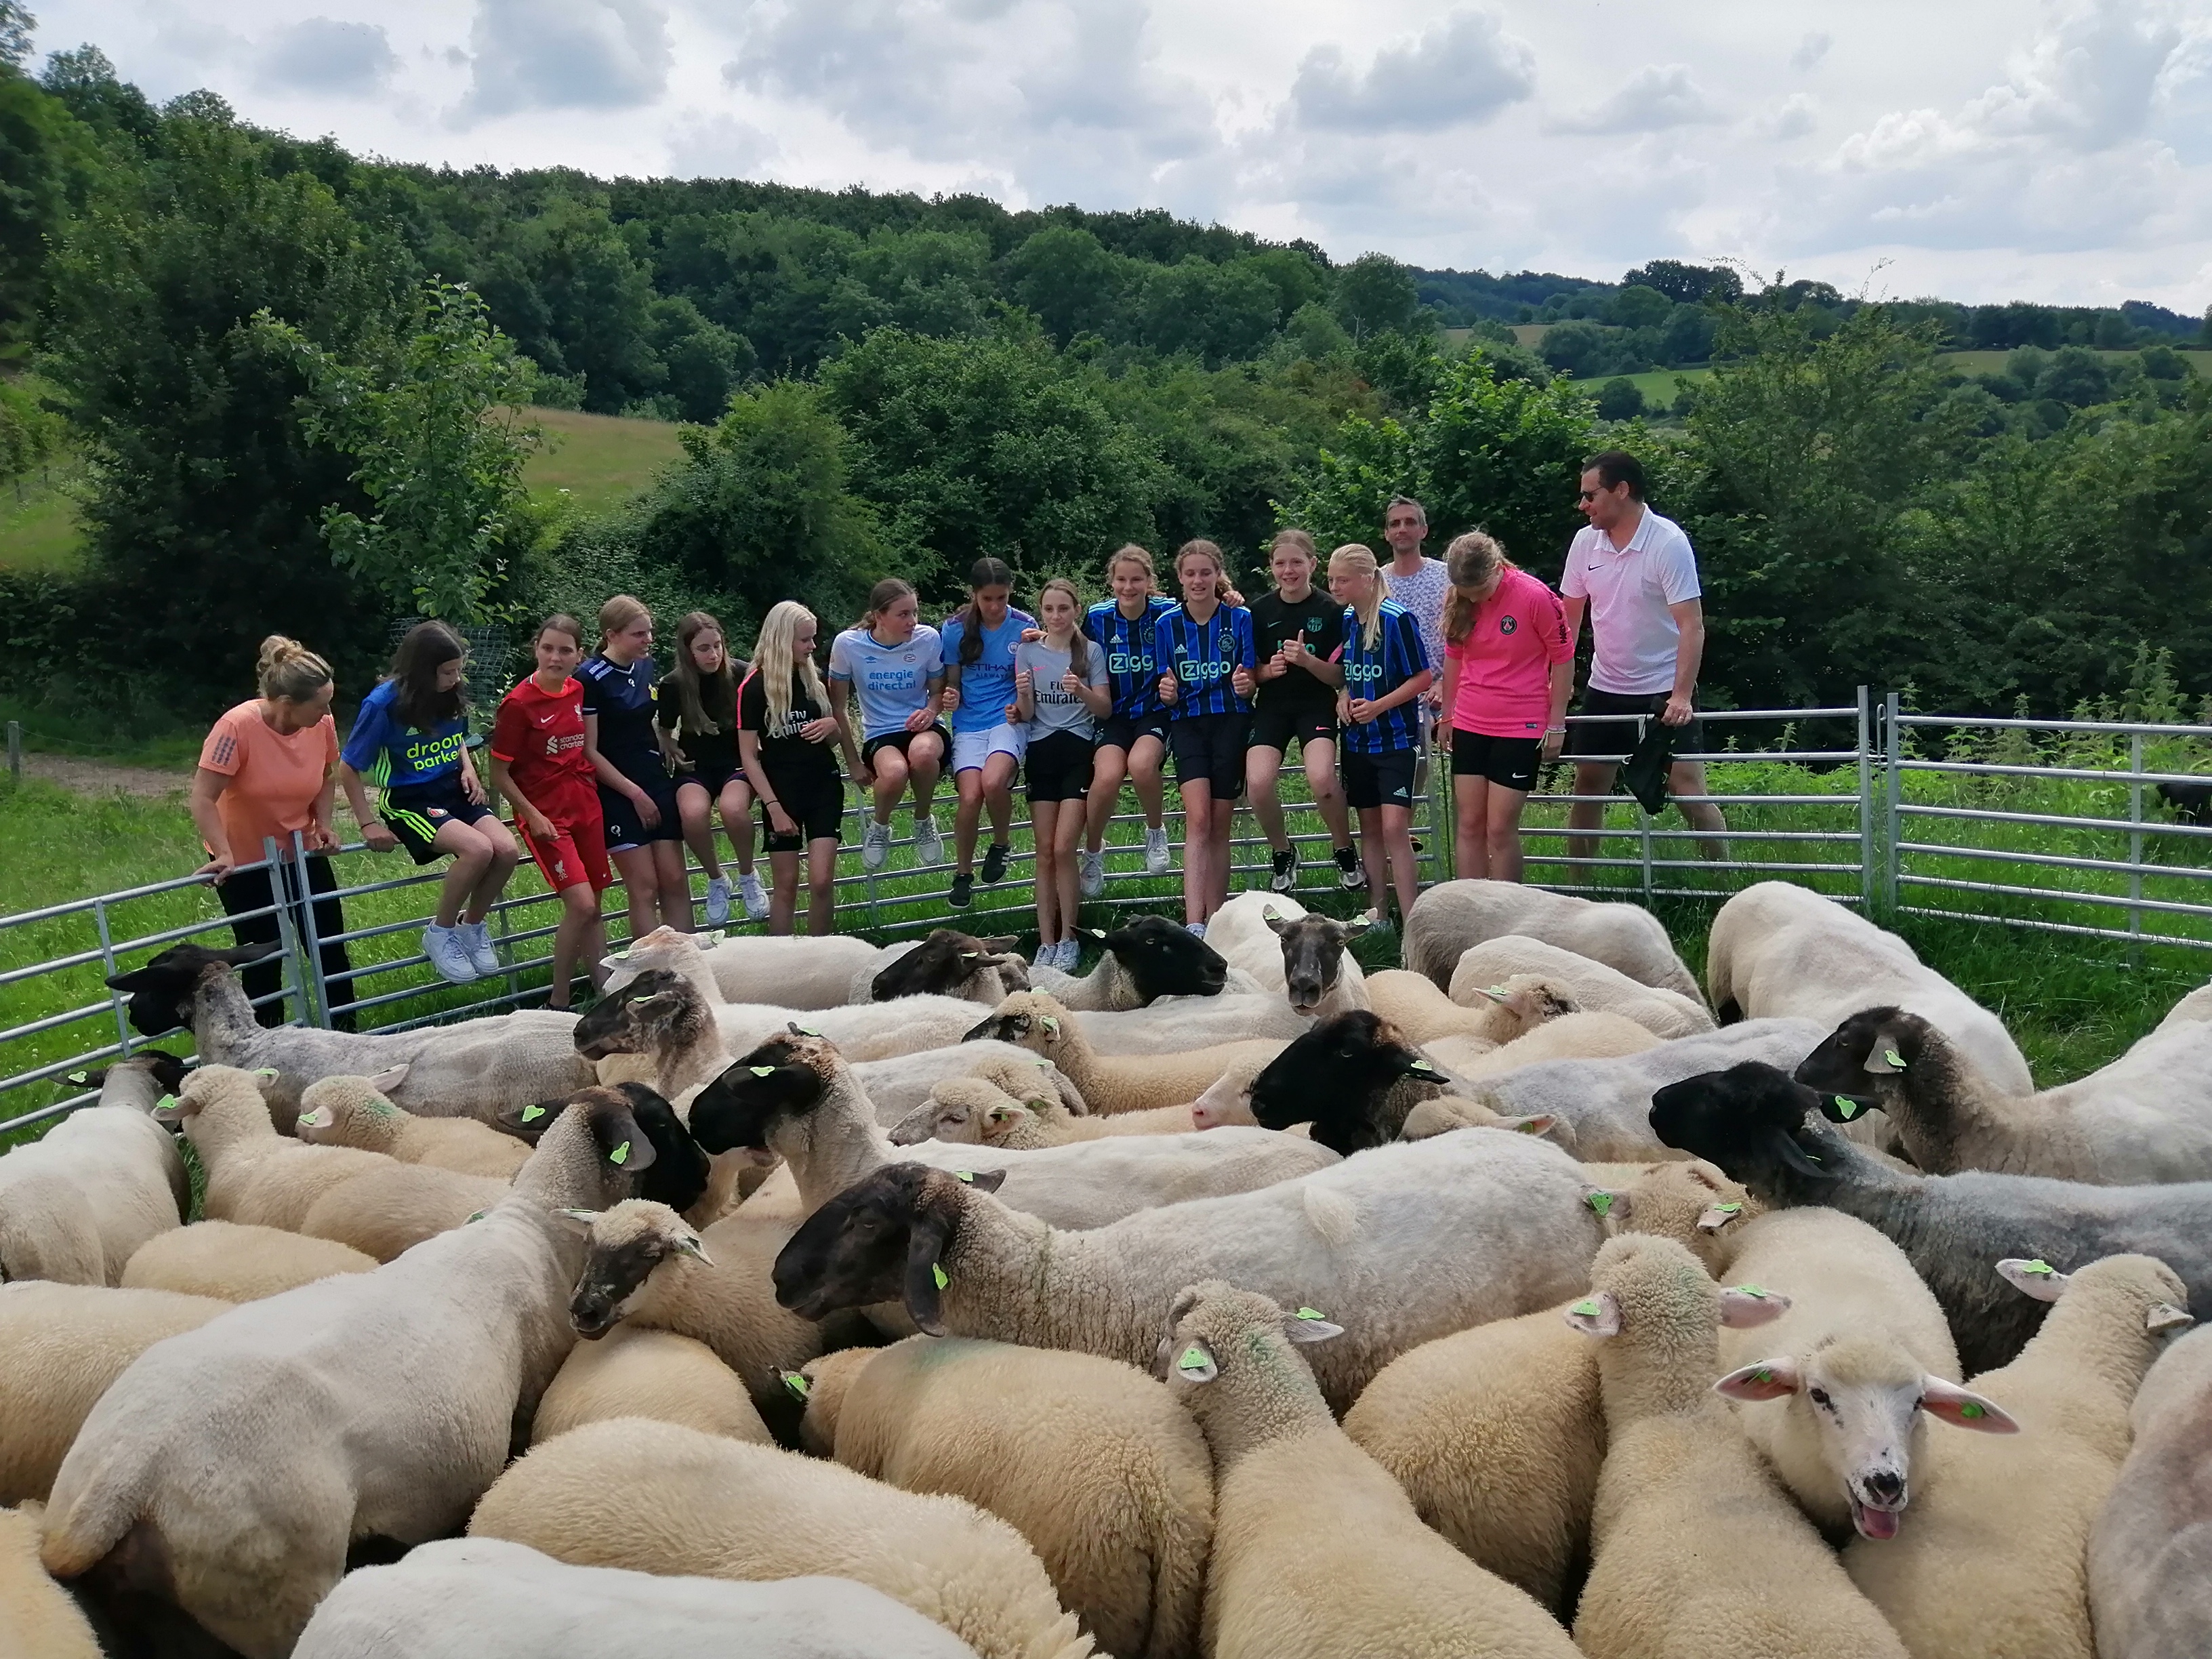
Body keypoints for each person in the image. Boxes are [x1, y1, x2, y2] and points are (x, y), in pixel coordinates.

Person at [1559, 449, 1729, 863]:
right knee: (1587, 787)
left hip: (1663, 688)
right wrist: (1553, 689)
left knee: (1687, 789)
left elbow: (1692, 624)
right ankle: (1578, 890)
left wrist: (1682, 696)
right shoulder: (1585, 543)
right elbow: (1565, 622)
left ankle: (1727, 881)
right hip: (1606, 686)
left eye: (1590, 495)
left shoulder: (1667, 543)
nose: (1582, 506)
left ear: (1622, 490)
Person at [337, 621, 520, 987]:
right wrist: (367, 824)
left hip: (452, 788)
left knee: (507, 850)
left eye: (458, 670)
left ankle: (472, 927)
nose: (455, 679)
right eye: (447, 672)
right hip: (409, 798)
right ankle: (440, 931)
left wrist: (467, 767)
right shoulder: (382, 705)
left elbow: (458, 738)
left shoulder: (452, 692)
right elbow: (348, 767)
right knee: (478, 850)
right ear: (422, 670)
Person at [190, 635, 357, 1029]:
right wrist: (223, 852)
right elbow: (202, 796)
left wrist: (324, 825)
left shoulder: (322, 725)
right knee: (263, 956)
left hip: (299, 851)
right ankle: (263, 1052)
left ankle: (348, 1036)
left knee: (329, 947)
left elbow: (325, 776)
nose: (328, 711)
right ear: (287, 705)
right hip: (244, 860)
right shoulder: (236, 727)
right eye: (319, 705)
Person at [489, 614, 610, 1010]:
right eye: (547, 648)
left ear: (579, 655)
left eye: (565, 650)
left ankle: (603, 991)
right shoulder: (518, 705)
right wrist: (532, 815)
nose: (555, 657)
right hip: (545, 814)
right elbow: (500, 773)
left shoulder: (577, 691)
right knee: (581, 904)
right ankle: (559, 1001)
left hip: (584, 805)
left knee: (595, 905)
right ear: (536, 649)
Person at [1439, 531, 1573, 883]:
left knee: (1499, 828)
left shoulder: (1536, 596)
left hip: (1521, 724)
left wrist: (1556, 723)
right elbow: (1454, 655)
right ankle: (1469, 908)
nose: (1476, 598)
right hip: (1470, 719)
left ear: (1497, 568)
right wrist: (1448, 714)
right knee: (1469, 824)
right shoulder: (1458, 597)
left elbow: (1563, 658)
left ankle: (1506, 912)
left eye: (1481, 591)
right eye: (1468, 592)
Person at [1245, 528, 1359, 895]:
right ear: (1271, 567)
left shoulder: (1332, 611)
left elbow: (1340, 675)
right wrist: (1267, 671)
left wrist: (1308, 661)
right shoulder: (1258, 611)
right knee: (1258, 785)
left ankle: (1343, 849)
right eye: (1281, 563)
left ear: (1312, 564)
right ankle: (1283, 852)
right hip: (1273, 707)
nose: (1288, 570)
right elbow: (1251, 673)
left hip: (1315, 706)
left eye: (1297, 562)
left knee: (1324, 781)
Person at [737, 600, 860, 937]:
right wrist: (773, 807)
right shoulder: (753, 688)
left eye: (813, 639)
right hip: (781, 791)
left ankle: (821, 959)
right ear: (782, 639)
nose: (812, 647)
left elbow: (834, 734)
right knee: (786, 885)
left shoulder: (814, 679)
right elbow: (748, 755)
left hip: (822, 784)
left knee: (822, 881)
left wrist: (831, 727)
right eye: (805, 640)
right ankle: (782, 969)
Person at [1155, 538, 1256, 935]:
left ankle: (1217, 921)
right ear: (1179, 577)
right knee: (1197, 818)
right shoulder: (1167, 624)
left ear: (1218, 576)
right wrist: (1168, 692)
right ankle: (1194, 921)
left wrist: (1247, 685)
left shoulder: (1239, 619)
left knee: (1219, 822)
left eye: (1205, 572)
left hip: (1230, 720)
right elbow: (1165, 681)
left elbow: (1249, 678)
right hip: (1188, 723)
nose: (1198, 580)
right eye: (1190, 573)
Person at [1329, 544, 1432, 930]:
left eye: (1342, 580)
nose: (1335, 587)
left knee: (1394, 828)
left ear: (1367, 579)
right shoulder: (1348, 620)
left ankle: (1413, 918)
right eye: (1332, 580)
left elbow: (1422, 677)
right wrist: (1344, 695)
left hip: (1396, 739)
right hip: (1357, 740)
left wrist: (1380, 705)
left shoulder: (1397, 619)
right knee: (1369, 827)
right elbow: (1346, 672)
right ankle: (1378, 913)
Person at [579, 596, 692, 945]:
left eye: (649, 632)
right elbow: (589, 751)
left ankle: (691, 967)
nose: (648, 640)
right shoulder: (590, 678)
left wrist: (667, 741)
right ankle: (653, 976)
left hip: (655, 776)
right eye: (638, 634)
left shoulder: (645, 665)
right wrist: (634, 794)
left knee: (674, 879)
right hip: (617, 789)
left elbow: (648, 719)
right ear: (612, 635)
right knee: (644, 887)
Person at [1015, 577, 1113, 970]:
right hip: (1041, 750)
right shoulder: (1027, 650)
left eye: (1064, 609)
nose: (1056, 616)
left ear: (1076, 610)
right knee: (1043, 853)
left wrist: (1082, 691)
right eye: (1049, 609)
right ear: (1042, 612)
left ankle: (1071, 936)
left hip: (1078, 750)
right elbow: (1026, 713)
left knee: (1062, 848)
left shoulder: (1090, 651)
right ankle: (1046, 941)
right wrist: (1023, 694)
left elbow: (1104, 708)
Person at [829, 578, 948, 877]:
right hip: (881, 730)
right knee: (894, 773)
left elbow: (938, 692)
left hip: (925, 725)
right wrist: (853, 762)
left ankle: (923, 820)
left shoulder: (928, 639)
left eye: (915, 613)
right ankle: (880, 826)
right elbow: (838, 708)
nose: (912, 622)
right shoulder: (848, 645)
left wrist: (931, 710)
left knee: (922, 755)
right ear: (879, 616)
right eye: (903, 614)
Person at [1077, 545, 1176, 897]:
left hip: (1155, 711)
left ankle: (1155, 832)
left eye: (1137, 579)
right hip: (1113, 713)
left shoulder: (1166, 612)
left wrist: (1230, 595)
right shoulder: (1099, 617)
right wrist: (1039, 638)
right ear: (1112, 581)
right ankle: (1093, 852)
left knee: (1142, 764)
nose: (1129, 587)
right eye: (1121, 579)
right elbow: (1073, 646)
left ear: (1150, 581)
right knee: (1105, 777)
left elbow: (1205, 608)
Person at [660, 611, 768, 927]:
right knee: (692, 814)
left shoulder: (743, 674)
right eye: (704, 649)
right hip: (695, 765)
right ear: (688, 651)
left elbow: (761, 719)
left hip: (737, 761)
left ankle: (748, 874)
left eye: (717, 646)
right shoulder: (673, 684)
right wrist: (669, 746)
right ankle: (717, 879)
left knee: (733, 809)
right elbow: (665, 730)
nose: (713, 654)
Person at [939, 558, 1034, 910]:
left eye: (1002, 598)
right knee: (969, 797)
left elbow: (1031, 679)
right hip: (969, 722)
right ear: (974, 595)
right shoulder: (953, 629)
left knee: (994, 782)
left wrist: (1020, 706)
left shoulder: (1024, 626)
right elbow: (952, 680)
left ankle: (1001, 844)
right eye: (987, 599)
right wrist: (951, 696)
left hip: (1008, 719)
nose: (995, 607)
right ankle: (962, 874)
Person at [1380, 494, 1450, 718]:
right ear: (1387, 534)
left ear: (1424, 530)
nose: (1402, 529)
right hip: (1390, 700)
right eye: (1395, 524)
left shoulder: (1447, 576)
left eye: (1410, 522)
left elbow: (1464, 634)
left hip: (1444, 696)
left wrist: (1446, 683)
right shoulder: (1375, 583)